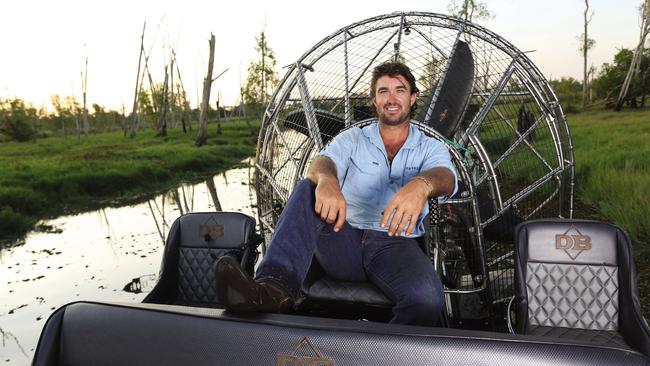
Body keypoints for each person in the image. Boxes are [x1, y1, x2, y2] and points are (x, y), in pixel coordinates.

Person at [216, 61, 457, 326]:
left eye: (399, 90)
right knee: (309, 187)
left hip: (395, 244)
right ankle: (271, 289)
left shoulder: (430, 147)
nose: (391, 98)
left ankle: (388, 351)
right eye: (383, 91)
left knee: (427, 300)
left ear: (413, 98)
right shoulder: (353, 138)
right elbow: (322, 163)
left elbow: (445, 177)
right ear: (373, 100)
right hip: (342, 237)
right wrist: (327, 179)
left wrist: (421, 184)